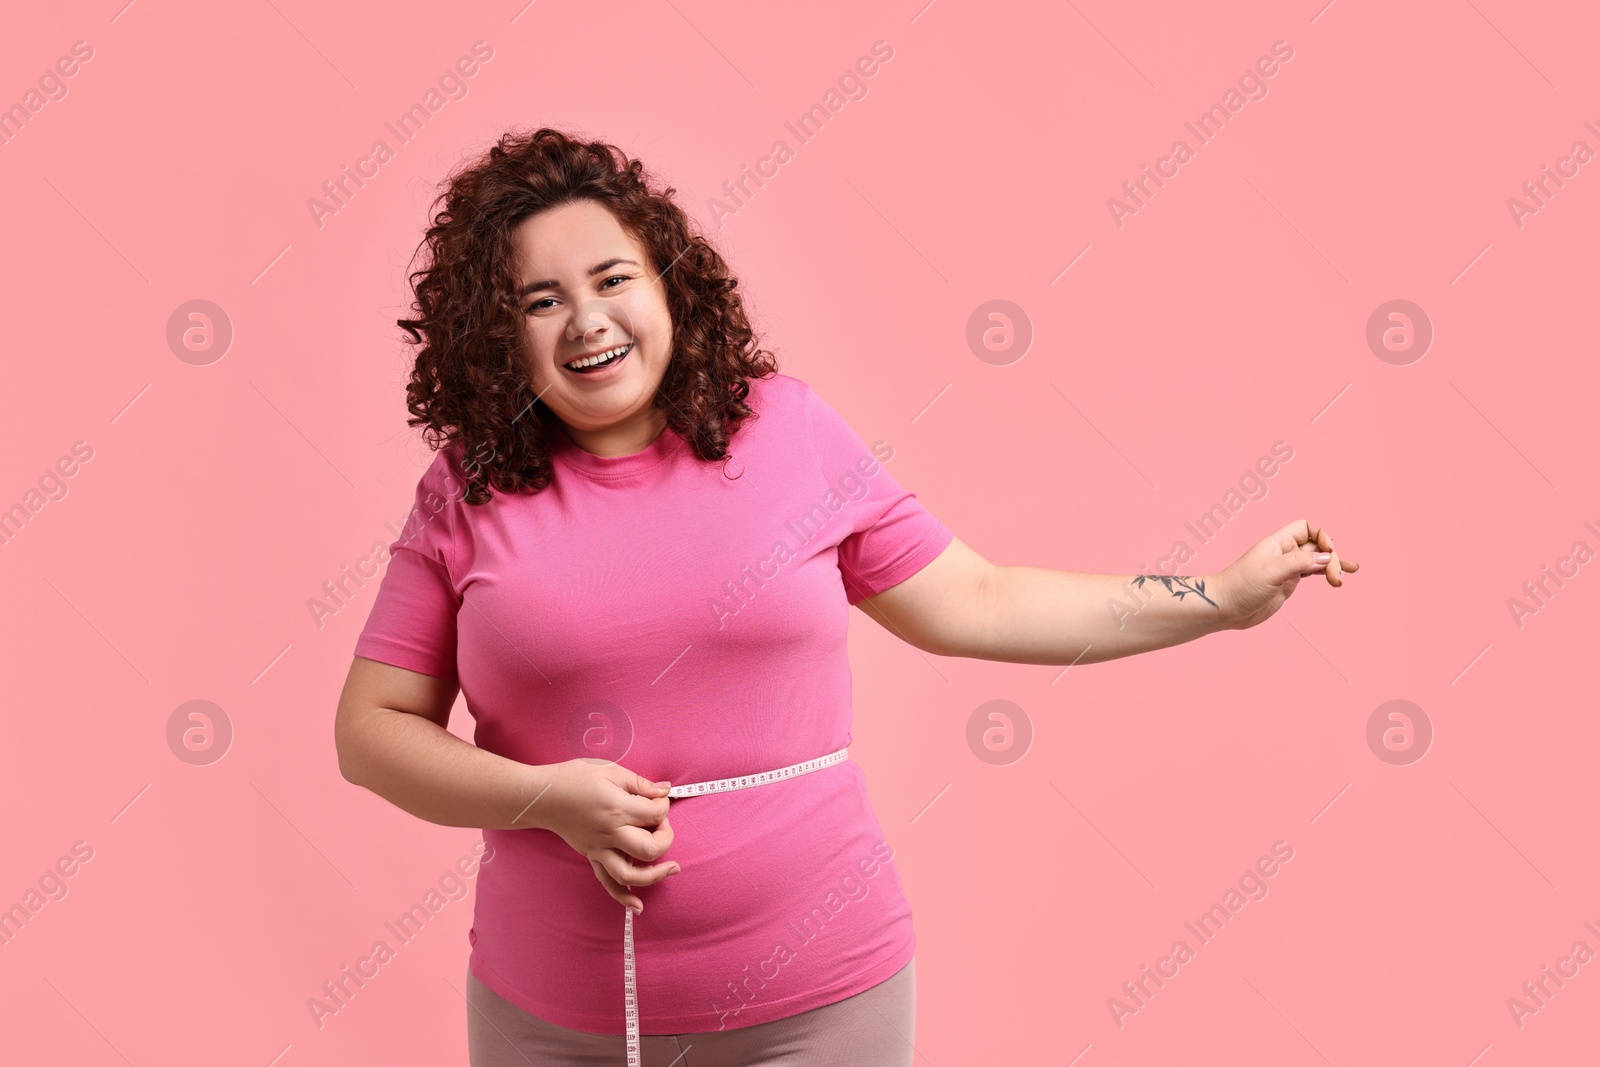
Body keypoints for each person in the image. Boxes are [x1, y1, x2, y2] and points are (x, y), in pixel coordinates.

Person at [333, 127, 1359, 1067]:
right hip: (552, 1018)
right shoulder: (467, 489)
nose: (587, 321)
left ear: (668, 285)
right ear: (493, 334)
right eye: (538, 299)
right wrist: (545, 796)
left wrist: (1217, 597)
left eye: (612, 278)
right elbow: (371, 732)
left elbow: (982, 601)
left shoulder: (787, 432)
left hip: (822, 1007)